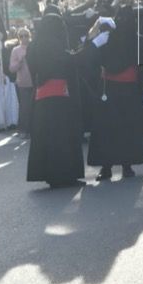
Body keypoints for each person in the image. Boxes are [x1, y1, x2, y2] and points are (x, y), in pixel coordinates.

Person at [26, 13, 109, 188]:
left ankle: (53, 175)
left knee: (48, 140)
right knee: (61, 139)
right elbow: (71, 61)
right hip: (58, 99)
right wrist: (93, 45)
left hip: (43, 99)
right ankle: (64, 175)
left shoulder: (37, 46)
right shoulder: (51, 46)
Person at [87, 6, 143, 181]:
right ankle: (107, 166)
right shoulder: (107, 39)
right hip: (110, 88)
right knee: (108, 129)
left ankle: (126, 164)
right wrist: (94, 39)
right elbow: (90, 60)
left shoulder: (139, 41)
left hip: (127, 90)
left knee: (125, 129)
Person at [9, 28, 34, 139]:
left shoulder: (34, 47)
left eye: (26, 35)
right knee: (24, 107)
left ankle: (34, 130)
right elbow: (11, 68)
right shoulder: (15, 50)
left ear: (29, 36)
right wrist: (20, 61)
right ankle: (23, 130)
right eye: (21, 36)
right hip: (23, 83)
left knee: (35, 107)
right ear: (18, 38)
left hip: (35, 82)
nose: (24, 38)